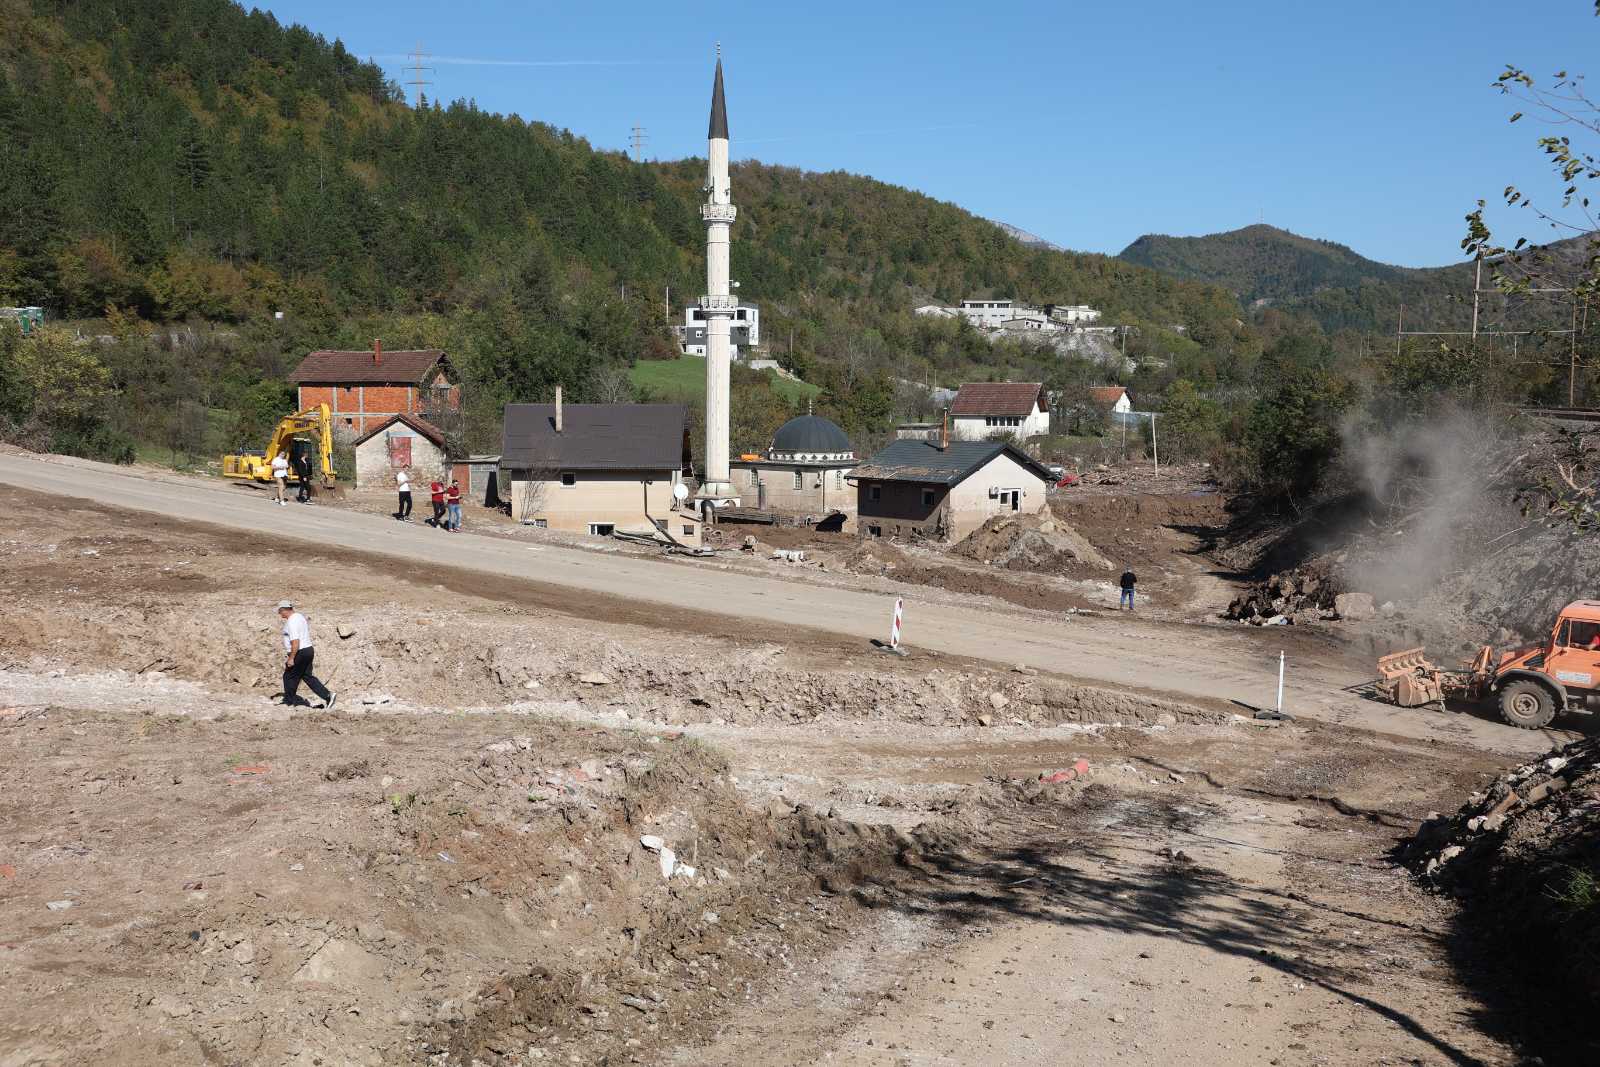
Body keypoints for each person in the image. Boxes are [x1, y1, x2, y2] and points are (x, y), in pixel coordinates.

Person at [277, 600, 335, 710]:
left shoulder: (292, 622)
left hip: (299, 652)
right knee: (307, 676)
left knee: (288, 676)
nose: (279, 614)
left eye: (280, 611)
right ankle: (328, 696)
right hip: (308, 650)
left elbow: (295, 642)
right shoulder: (299, 617)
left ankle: (289, 703)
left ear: (285, 609)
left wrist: (291, 658)